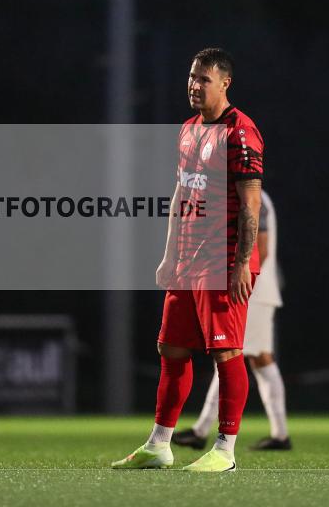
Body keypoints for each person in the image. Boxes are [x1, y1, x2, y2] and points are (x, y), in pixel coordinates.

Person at [112, 48, 263, 473]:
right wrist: (168, 255)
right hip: (188, 261)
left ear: (225, 83)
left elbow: (250, 205)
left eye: (204, 79)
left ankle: (226, 451)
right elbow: (181, 195)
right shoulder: (188, 130)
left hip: (223, 261)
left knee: (227, 353)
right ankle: (159, 444)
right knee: (171, 348)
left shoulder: (241, 132)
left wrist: (240, 266)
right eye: (192, 77)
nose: (194, 86)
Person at [172, 190, 291, 451]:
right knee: (260, 359)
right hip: (258, 292)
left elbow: (261, 247)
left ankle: (201, 430)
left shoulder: (251, 197)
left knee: (228, 355)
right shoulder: (251, 196)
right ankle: (280, 435)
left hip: (252, 293)